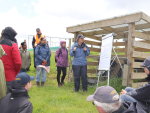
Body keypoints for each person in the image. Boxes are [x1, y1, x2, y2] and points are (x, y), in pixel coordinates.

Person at [0, 27, 22, 94]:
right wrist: (17, 72)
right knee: (9, 100)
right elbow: (18, 62)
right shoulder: (13, 45)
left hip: (1, 76)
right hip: (10, 77)